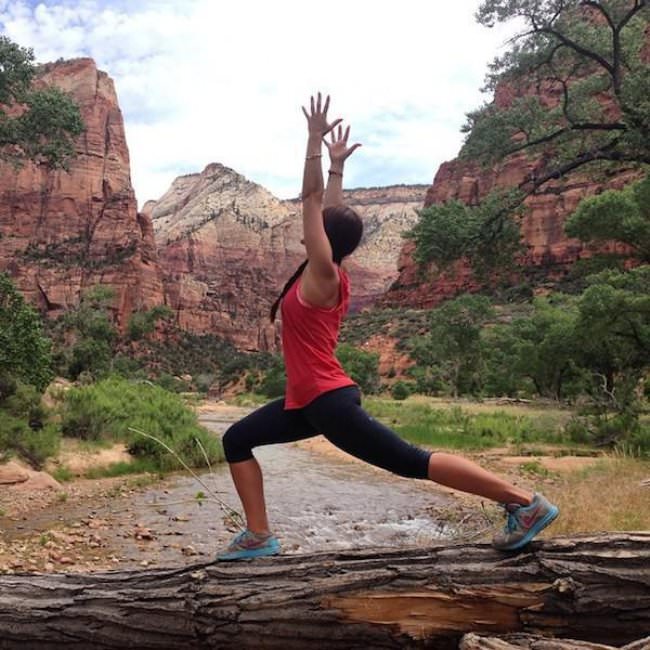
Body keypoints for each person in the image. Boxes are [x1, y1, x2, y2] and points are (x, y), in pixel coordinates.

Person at [218, 93, 559, 561]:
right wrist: (338, 167)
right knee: (236, 439)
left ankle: (524, 503)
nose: (309, 225)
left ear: (324, 236)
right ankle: (259, 536)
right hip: (309, 401)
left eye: (316, 226)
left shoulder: (324, 275)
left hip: (327, 401)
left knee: (410, 462)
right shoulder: (326, 268)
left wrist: (313, 145)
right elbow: (329, 206)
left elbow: (313, 201)